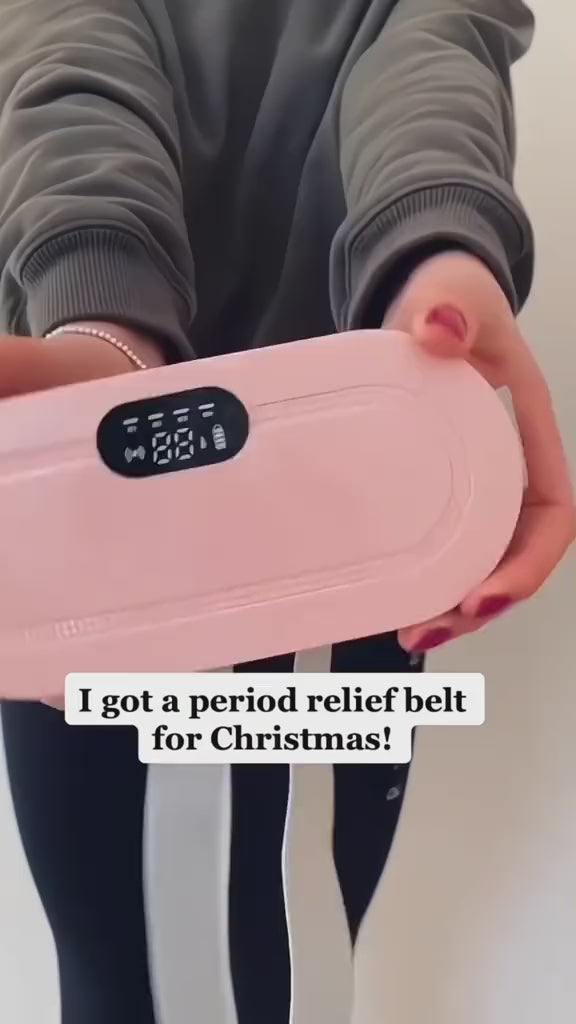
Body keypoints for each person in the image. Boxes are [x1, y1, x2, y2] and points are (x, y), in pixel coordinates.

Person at [0, 1, 573, 1022]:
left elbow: (429, 56)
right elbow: (75, 60)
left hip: (301, 539)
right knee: (153, 977)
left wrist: (436, 253)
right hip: (121, 513)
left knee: (234, 980)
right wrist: (109, 334)